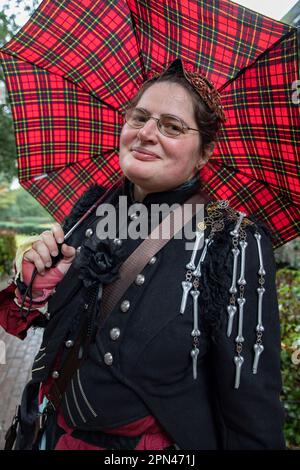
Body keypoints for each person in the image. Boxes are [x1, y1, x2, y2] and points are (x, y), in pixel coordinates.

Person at [0, 59, 285, 450]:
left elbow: (252, 412)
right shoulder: (92, 207)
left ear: (204, 153)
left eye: (172, 126)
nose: (146, 133)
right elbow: (52, 332)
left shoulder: (233, 239)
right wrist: (40, 280)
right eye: (139, 118)